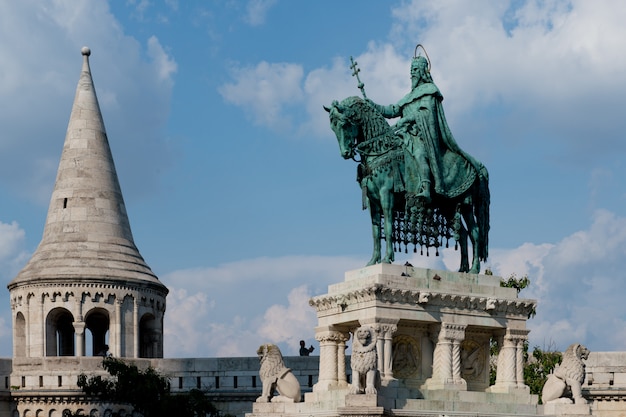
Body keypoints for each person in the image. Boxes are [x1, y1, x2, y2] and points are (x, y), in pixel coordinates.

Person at [367, 54, 485, 205]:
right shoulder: (408, 96)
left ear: (423, 71)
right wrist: (373, 105)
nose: (412, 73)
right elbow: (392, 109)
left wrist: (406, 120)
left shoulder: (430, 90)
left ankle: (426, 187)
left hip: (422, 136)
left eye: (415, 69)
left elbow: (426, 113)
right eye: (411, 70)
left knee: (419, 153)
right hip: (404, 135)